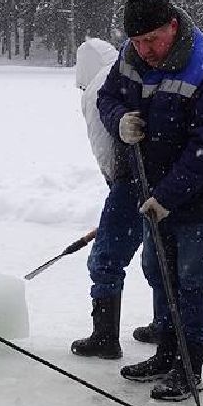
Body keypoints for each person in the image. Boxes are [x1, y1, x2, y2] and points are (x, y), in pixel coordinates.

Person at [96, 0, 203, 401]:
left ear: (173, 25)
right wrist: (119, 121)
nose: (145, 50)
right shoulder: (130, 56)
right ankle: (166, 352)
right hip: (153, 185)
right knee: (158, 268)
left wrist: (167, 197)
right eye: (137, 41)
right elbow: (107, 96)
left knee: (195, 278)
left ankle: (190, 366)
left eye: (153, 40)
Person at [68, 36, 142, 360]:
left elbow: (105, 150)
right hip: (158, 181)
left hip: (130, 181)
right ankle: (165, 326)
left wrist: (120, 195)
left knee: (105, 259)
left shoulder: (98, 88)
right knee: (162, 260)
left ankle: (105, 337)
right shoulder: (127, 75)